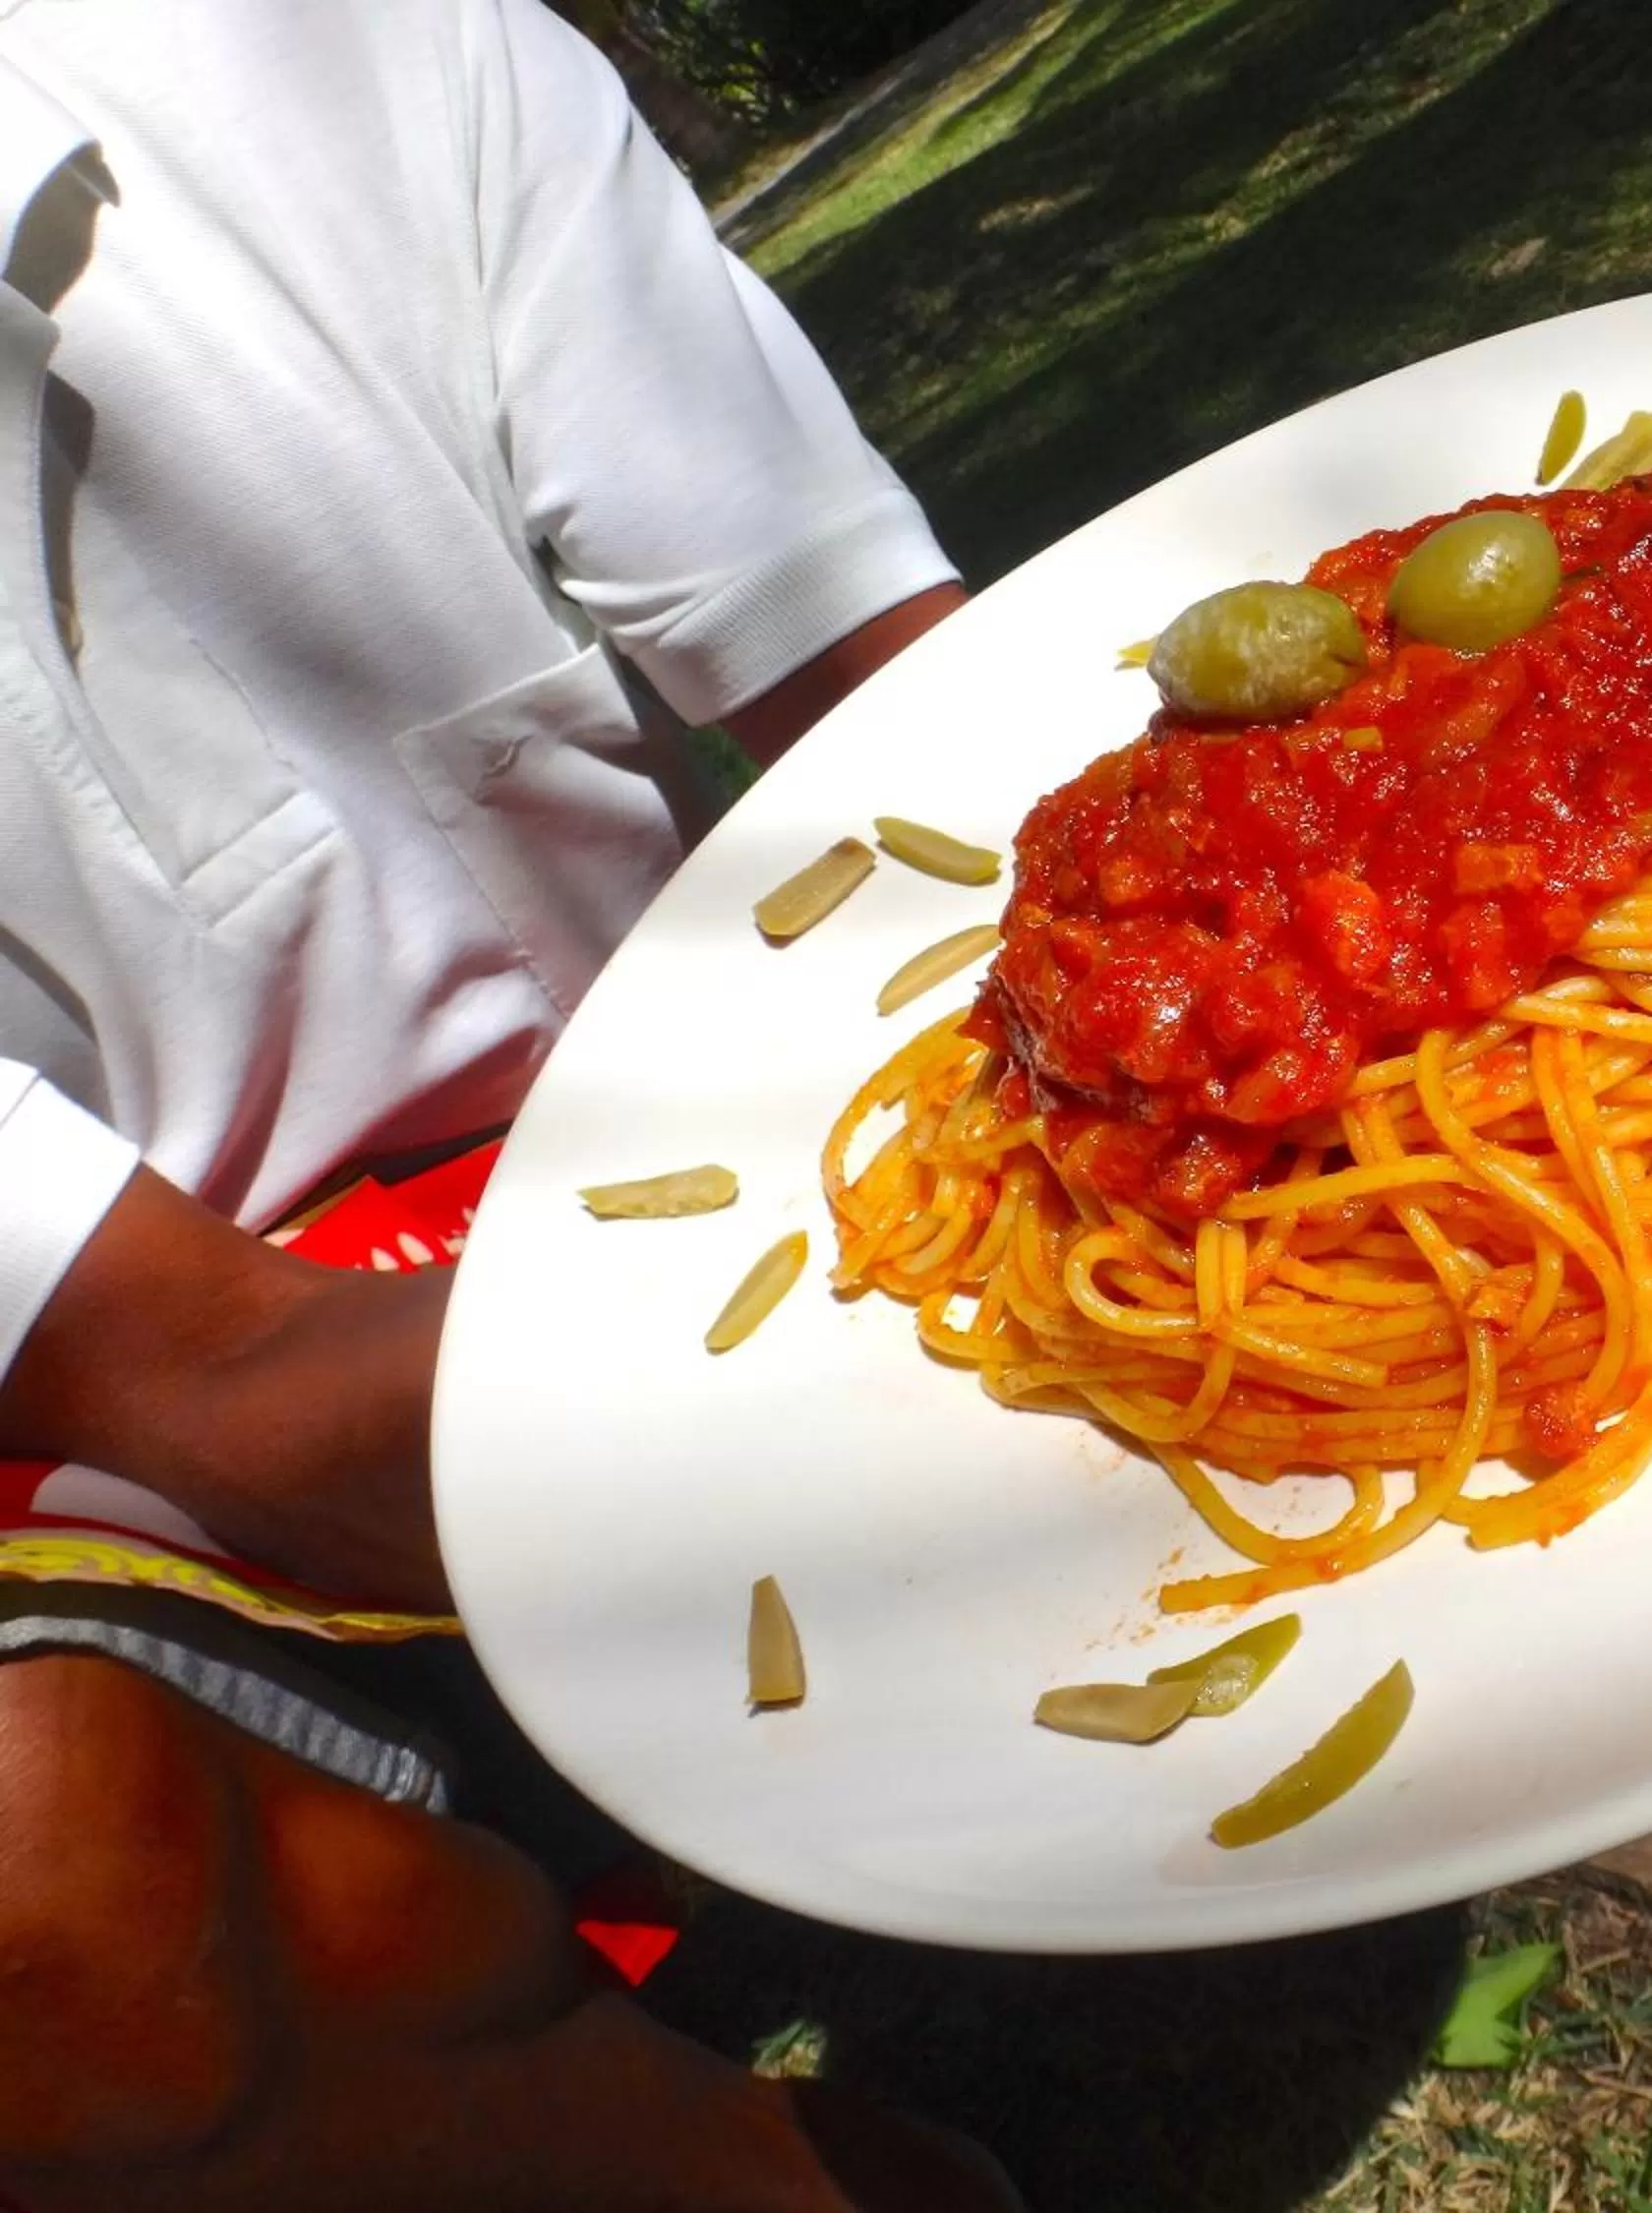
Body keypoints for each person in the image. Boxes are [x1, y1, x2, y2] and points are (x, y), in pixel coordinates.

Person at [0, 3, 1021, 2205]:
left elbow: (934, 730)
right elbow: (219, 1371)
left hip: (695, 1168)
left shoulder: (343, 50)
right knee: (44, 1883)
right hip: (128, 1441)